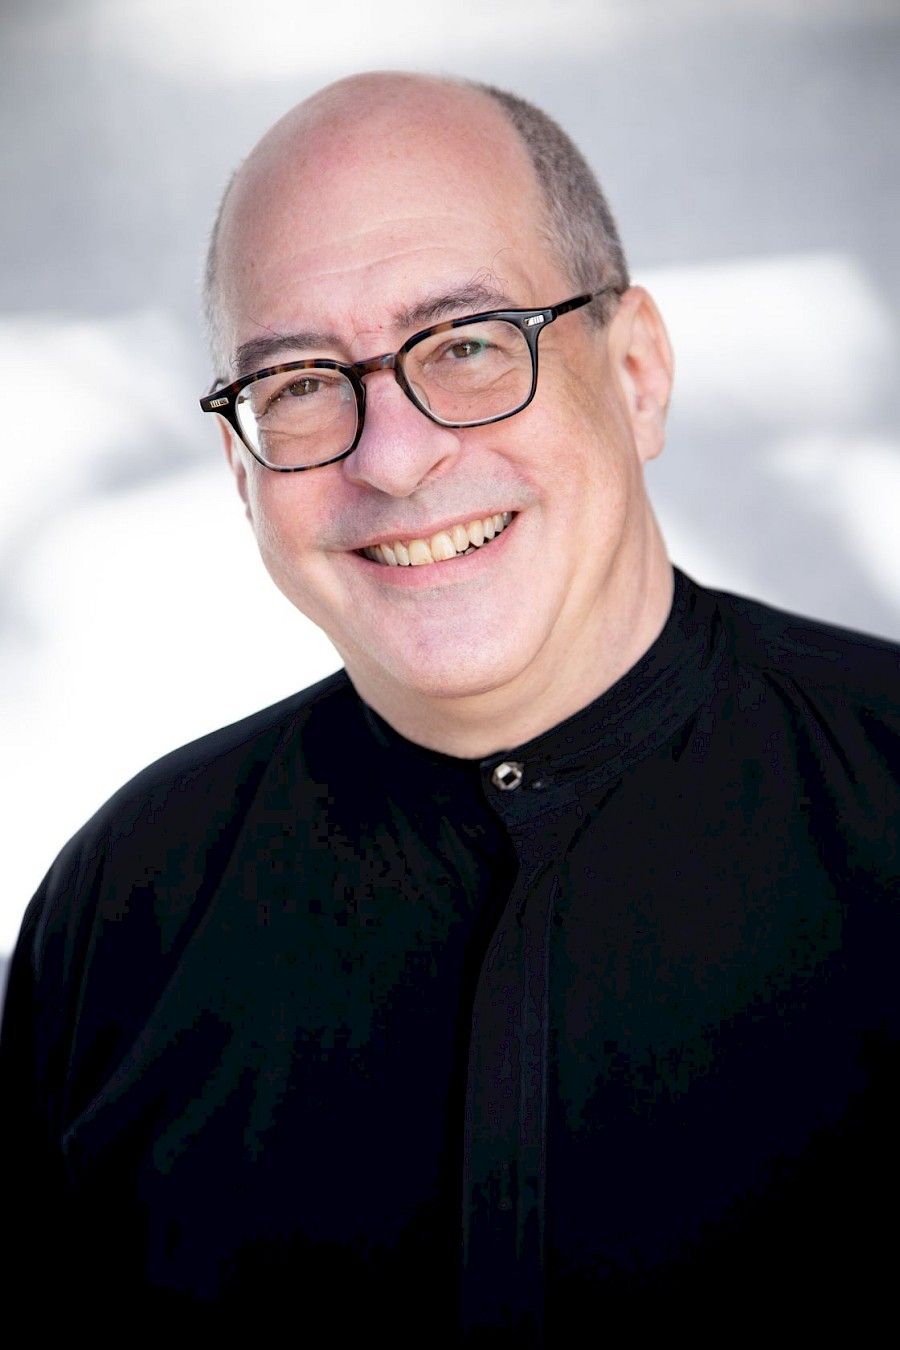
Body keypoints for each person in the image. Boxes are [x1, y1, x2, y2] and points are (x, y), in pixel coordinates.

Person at [1, 71, 897, 1345]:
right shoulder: (120, 910)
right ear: (242, 470)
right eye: (300, 382)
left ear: (637, 372)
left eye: (468, 345)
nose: (394, 455)